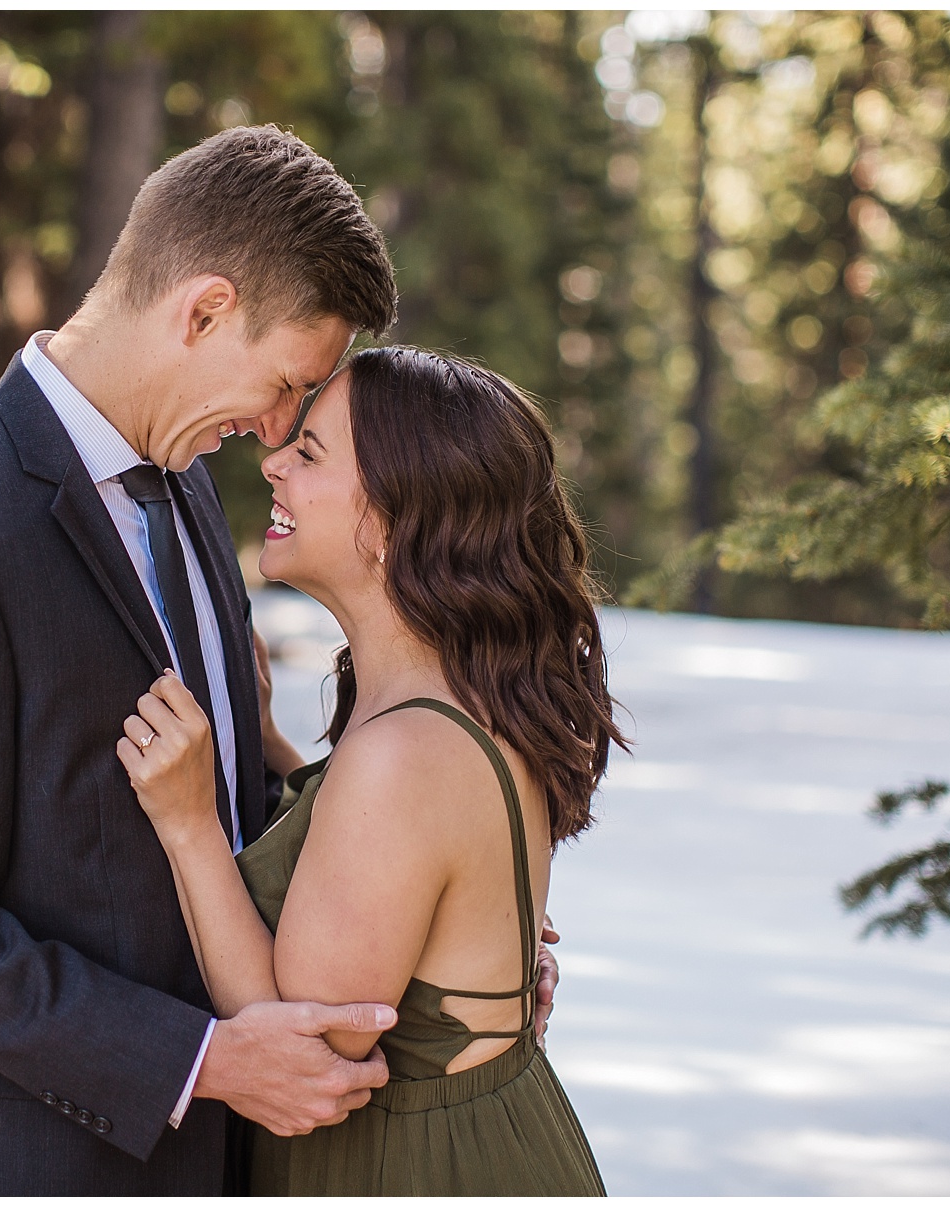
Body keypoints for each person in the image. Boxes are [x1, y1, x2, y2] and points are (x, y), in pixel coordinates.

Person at [0, 126, 442, 1195]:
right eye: (287, 381)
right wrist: (200, 1061)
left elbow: (234, 797)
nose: (278, 429)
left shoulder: (185, 478)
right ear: (203, 311)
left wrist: (434, 920)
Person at [118, 346, 624, 1194]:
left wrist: (187, 822)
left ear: (397, 519)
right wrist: (272, 743)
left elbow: (307, 1048)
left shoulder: (401, 754)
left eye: (310, 452)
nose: (273, 461)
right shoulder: (460, 697)